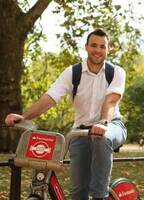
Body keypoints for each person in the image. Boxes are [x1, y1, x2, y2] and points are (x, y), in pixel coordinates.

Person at [5, 29, 127, 200]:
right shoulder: (72, 73)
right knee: (77, 193)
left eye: (102, 47)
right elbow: (50, 97)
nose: (98, 50)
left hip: (111, 125)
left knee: (103, 137)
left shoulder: (116, 72)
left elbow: (111, 101)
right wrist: (25, 117)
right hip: (80, 132)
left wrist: (103, 123)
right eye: (94, 45)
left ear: (108, 49)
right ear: (86, 47)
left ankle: (100, 196)